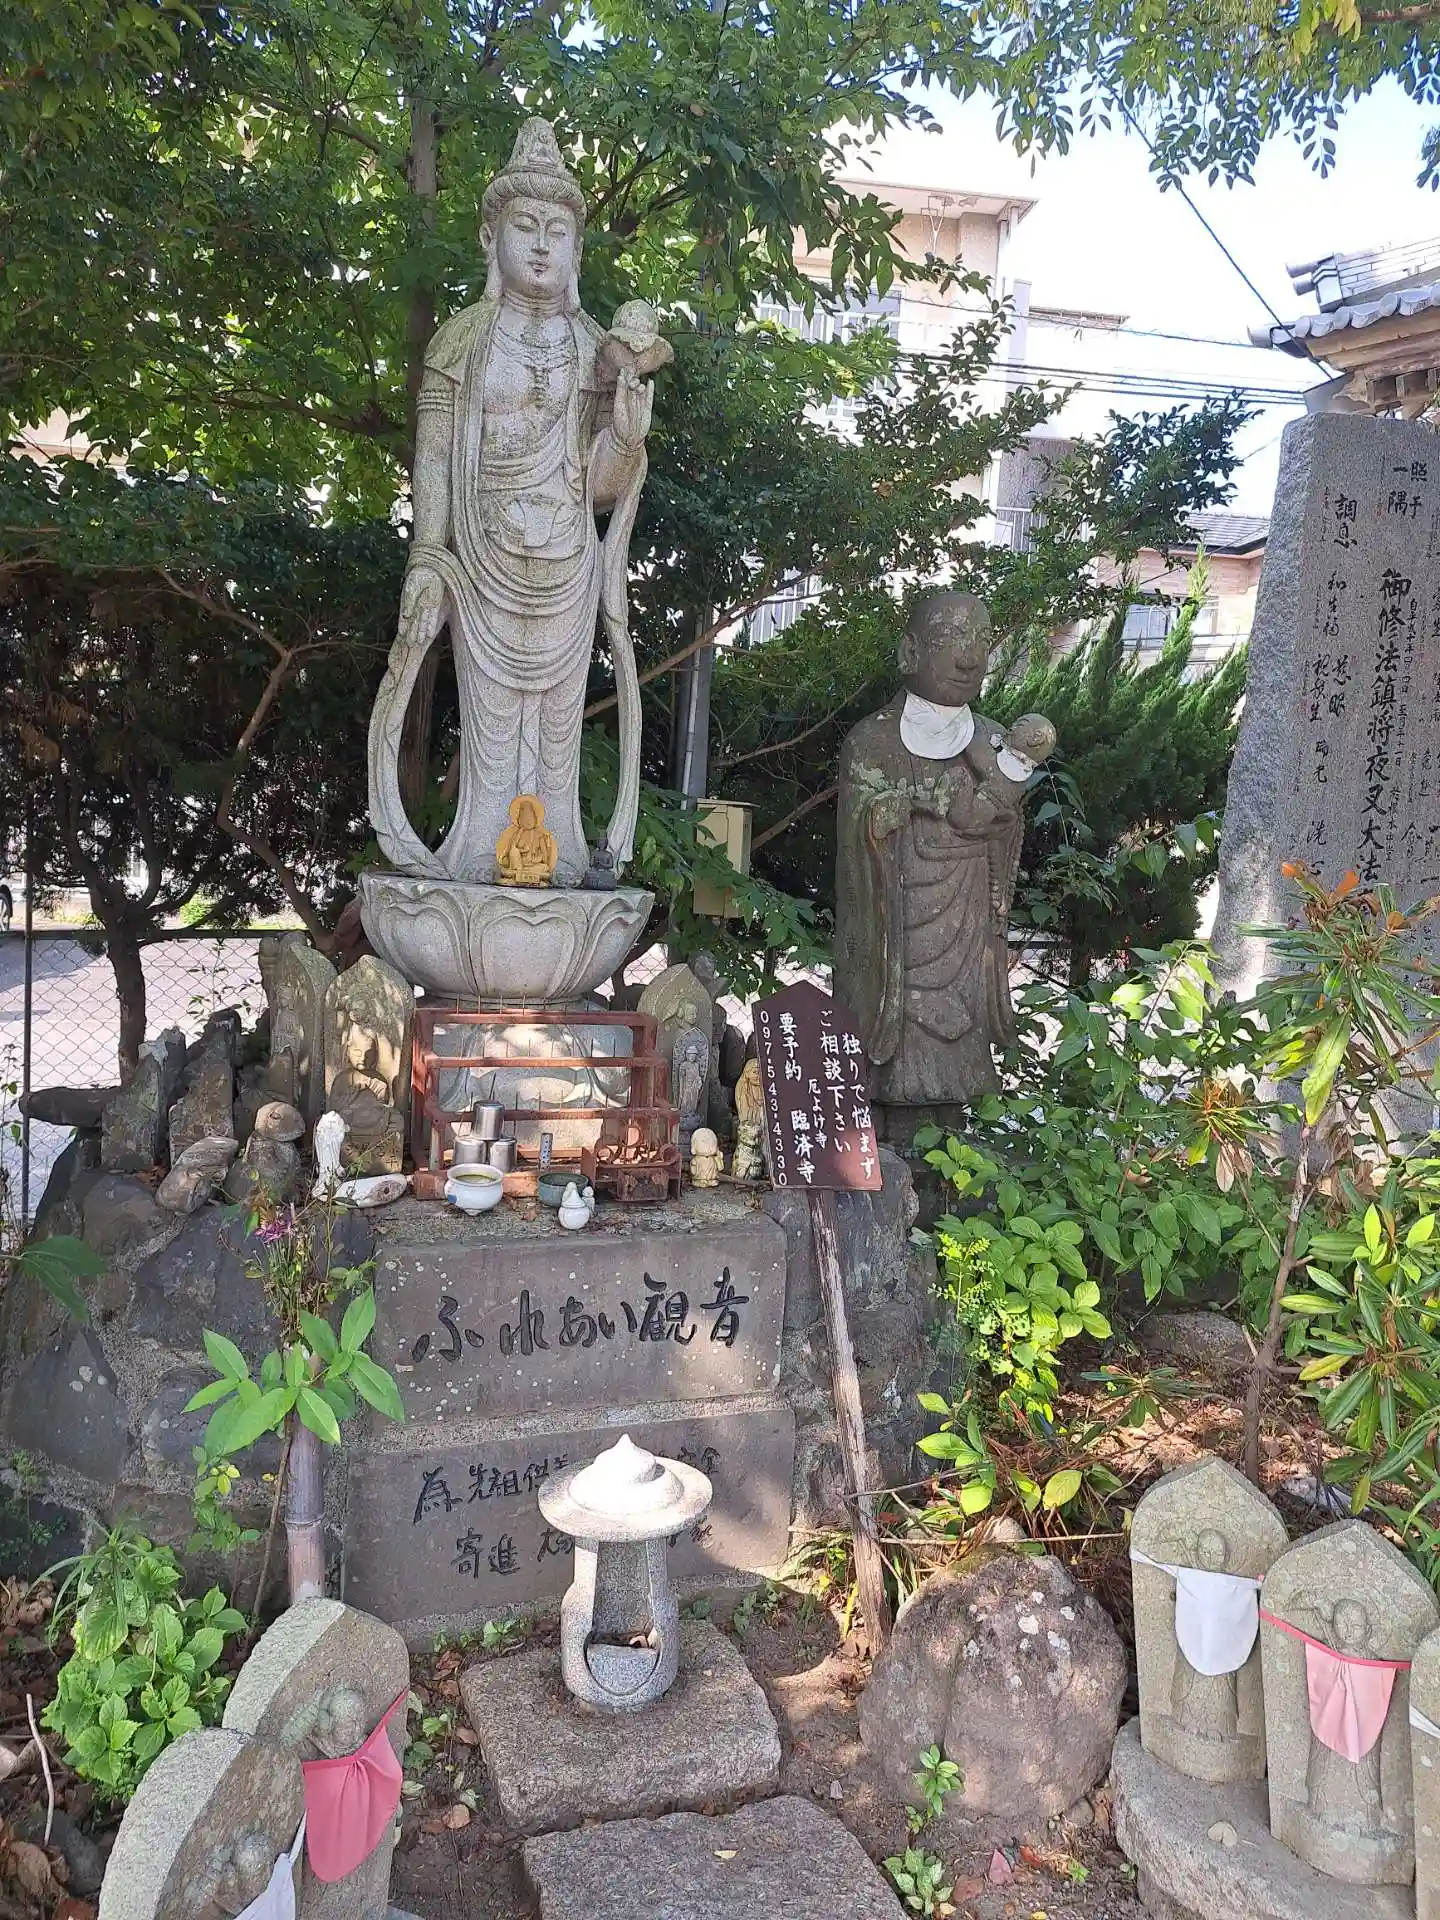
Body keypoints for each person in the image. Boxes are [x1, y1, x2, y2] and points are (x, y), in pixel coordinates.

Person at [368, 119, 664, 887]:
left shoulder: (594, 348)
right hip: (482, 553)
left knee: (558, 735)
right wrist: (427, 556)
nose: (539, 246)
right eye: (523, 228)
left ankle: (557, 865)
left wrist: (625, 437)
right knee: (492, 728)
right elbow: (435, 458)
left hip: (567, 561)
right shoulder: (462, 341)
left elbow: (599, 487)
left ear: (577, 251)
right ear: (489, 240)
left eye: (556, 233)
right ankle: (478, 858)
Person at [834, 591, 1049, 1141]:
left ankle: (950, 1133)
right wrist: (903, 809)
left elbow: (1005, 821)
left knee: (958, 1036)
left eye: (980, 639)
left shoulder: (992, 740)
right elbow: (859, 833)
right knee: (896, 1053)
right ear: (909, 651)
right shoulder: (874, 740)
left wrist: (997, 822)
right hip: (898, 928)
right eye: (951, 638)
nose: (969, 656)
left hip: (966, 923)